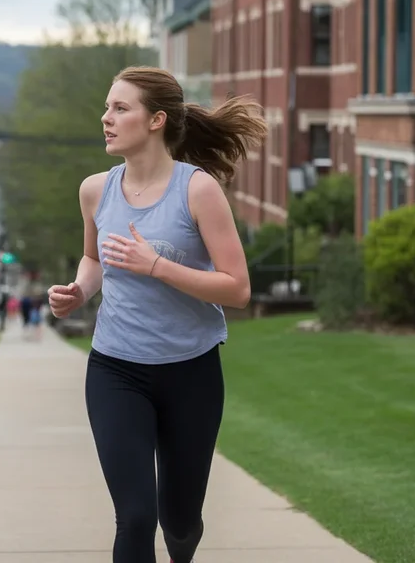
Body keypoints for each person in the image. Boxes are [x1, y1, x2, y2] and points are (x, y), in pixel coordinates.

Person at [47, 66, 265, 563]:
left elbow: (238, 289)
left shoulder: (198, 190)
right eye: (107, 107)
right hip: (116, 369)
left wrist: (158, 266)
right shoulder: (95, 190)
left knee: (180, 519)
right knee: (136, 515)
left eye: (120, 108)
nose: (106, 118)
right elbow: (94, 259)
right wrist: (79, 291)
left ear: (156, 120)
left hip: (191, 373)